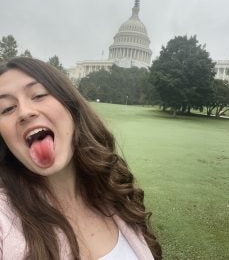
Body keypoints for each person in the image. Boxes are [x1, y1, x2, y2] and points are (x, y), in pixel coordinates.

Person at [0, 57, 162, 260]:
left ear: (71, 108)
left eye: (39, 95)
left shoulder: (114, 193)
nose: (25, 112)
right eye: (6, 108)